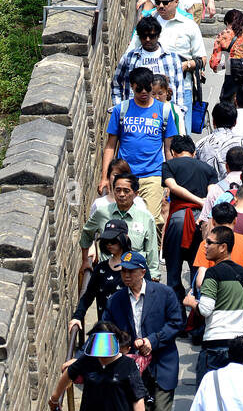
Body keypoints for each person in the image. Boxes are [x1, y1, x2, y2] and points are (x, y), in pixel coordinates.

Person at [101, 251, 183, 411]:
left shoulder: (165, 294)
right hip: (128, 371)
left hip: (161, 366)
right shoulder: (116, 301)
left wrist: (152, 341)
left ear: (143, 272)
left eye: (131, 271)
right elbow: (105, 331)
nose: (126, 276)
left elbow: (176, 323)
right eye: (123, 272)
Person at [48, 321, 146, 411]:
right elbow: (69, 374)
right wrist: (54, 398)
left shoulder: (128, 366)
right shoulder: (88, 361)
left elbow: (138, 398)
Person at [100, 66, 177, 227]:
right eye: (138, 89)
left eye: (147, 88)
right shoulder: (121, 110)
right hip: (125, 176)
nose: (143, 92)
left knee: (153, 222)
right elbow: (110, 146)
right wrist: (105, 178)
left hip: (153, 174)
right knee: (122, 221)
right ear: (132, 87)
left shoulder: (163, 111)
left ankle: (152, 252)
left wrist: (170, 180)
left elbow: (169, 149)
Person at [184, 225, 243, 384]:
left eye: (209, 243)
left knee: (209, 396)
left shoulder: (213, 273)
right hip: (241, 345)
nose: (205, 246)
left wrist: (191, 303)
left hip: (216, 345)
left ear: (223, 247)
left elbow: (205, 309)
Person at [161, 136, 217, 300]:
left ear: (173, 152)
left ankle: (174, 310)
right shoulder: (207, 169)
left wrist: (196, 200)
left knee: (173, 271)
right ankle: (196, 308)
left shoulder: (169, 165)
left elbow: (173, 186)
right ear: (194, 152)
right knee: (197, 266)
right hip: (200, 221)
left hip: (178, 219)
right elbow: (212, 195)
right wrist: (201, 202)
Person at [80, 171, 160, 280]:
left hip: (135, 276)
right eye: (118, 190)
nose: (121, 194)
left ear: (136, 193)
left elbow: (151, 250)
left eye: (126, 191)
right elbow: (86, 233)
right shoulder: (102, 213)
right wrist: (85, 260)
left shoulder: (146, 218)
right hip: (107, 275)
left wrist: (154, 277)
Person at [68, 220, 132, 334]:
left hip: (130, 330)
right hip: (106, 330)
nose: (109, 244)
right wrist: (77, 317)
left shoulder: (136, 267)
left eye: (113, 241)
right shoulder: (101, 268)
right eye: (106, 241)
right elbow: (88, 295)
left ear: (124, 239)